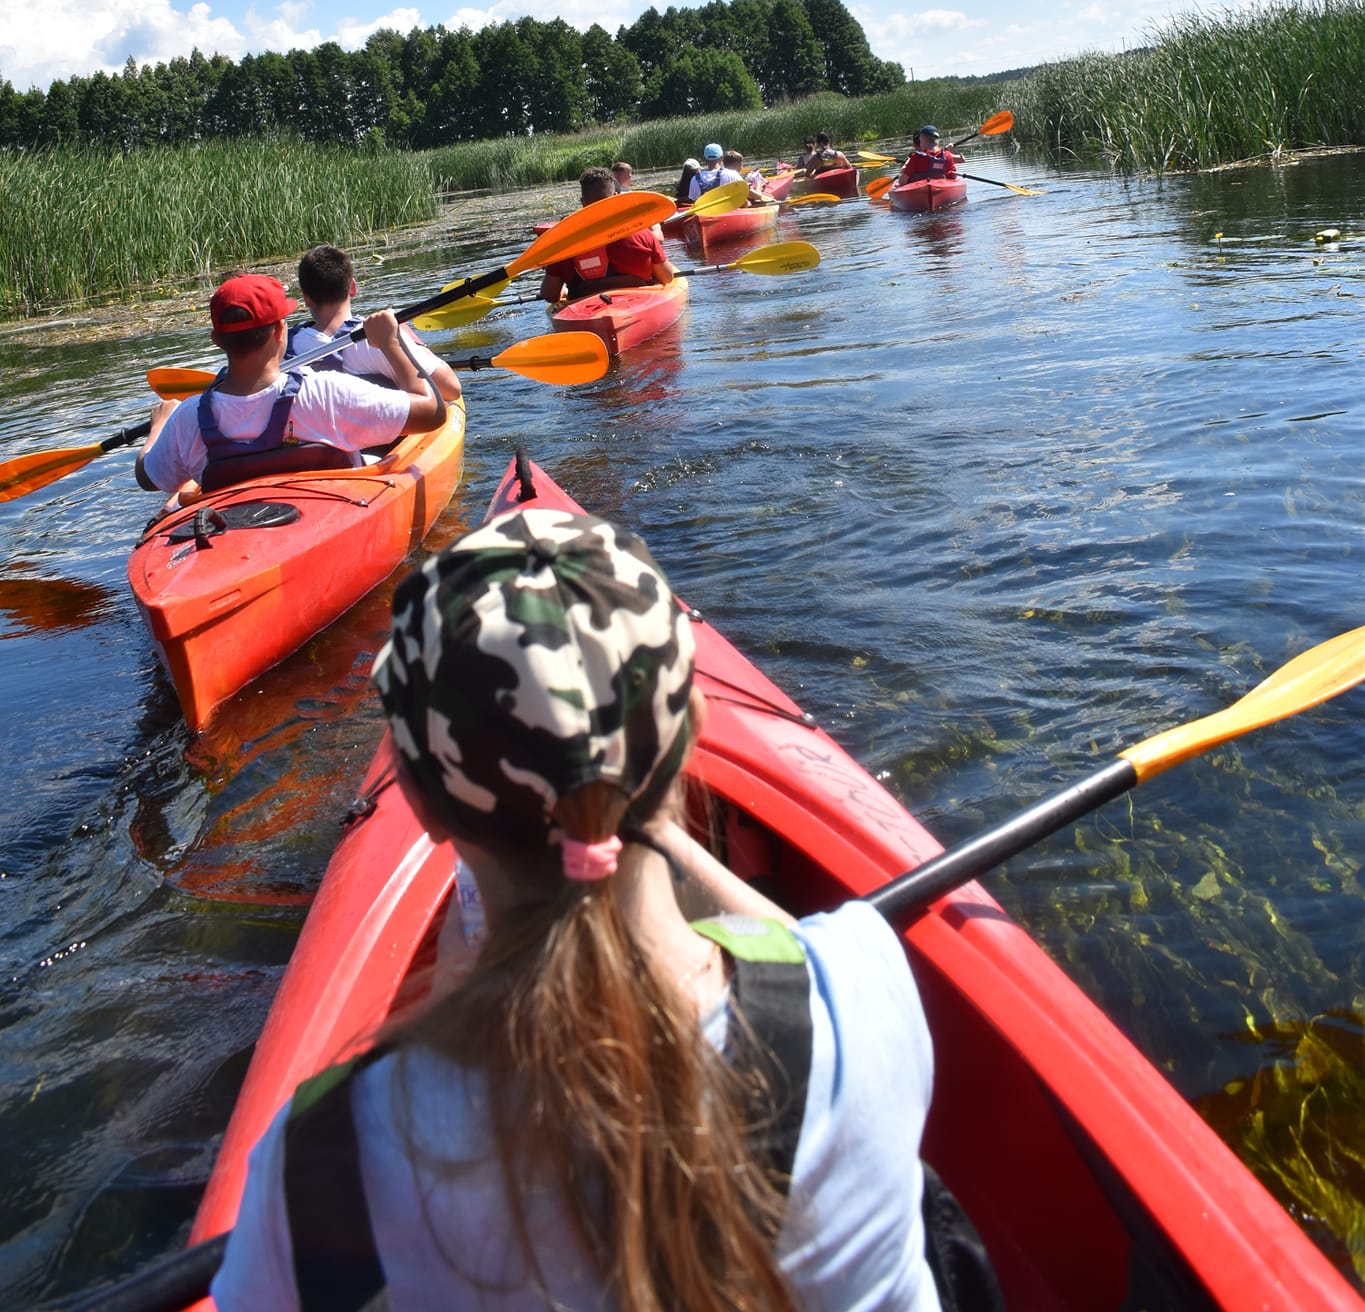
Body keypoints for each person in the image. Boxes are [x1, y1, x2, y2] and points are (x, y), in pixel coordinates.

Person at [210, 507, 940, 1312]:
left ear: (418, 803)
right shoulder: (861, 983)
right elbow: (789, 946)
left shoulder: (318, 1160)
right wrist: (648, 827)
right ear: (688, 736)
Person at [135, 273, 448, 501]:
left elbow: (148, 478)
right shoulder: (326, 393)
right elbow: (432, 412)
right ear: (280, 331)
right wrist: (391, 345)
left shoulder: (188, 418)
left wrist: (159, 427)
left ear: (217, 341)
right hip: (336, 514)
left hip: (235, 528)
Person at [288, 244, 463, 400]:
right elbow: (451, 389)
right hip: (384, 433)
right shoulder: (379, 337)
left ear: (306, 298)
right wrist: (409, 340)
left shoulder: (285, 347)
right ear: (353, 288)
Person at [540, 168, 675, 304]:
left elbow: (550, 295)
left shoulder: (564, 243)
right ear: (616, 196)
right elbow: (667, 278)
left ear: (583, 202)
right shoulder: (640, 232)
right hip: (639, 305)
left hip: (586, 310)